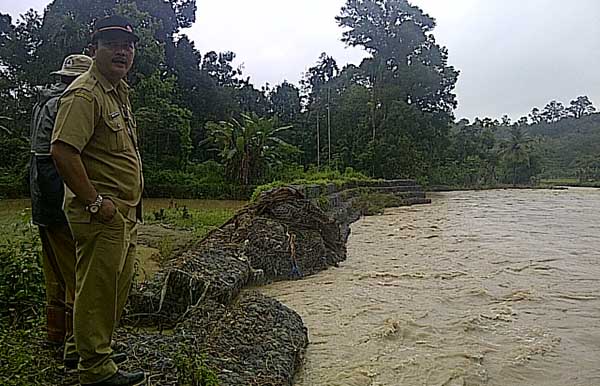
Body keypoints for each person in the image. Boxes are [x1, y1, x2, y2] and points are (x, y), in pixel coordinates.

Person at [51, 15, 145, 386]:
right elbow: (62, 151)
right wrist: (94, 202)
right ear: (94, 50)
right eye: (113, 45)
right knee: (98, 289)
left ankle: (84, 348)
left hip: (123, 212)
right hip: (102, 214)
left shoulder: (117, 91)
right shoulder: (86, 92)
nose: (123, 51)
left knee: (111, 289)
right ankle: (96, 368)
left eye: (128, 45)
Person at [29, 54, 92, 361]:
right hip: (57, 189)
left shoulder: (42, 102)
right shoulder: (66, 104)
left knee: (53, 268)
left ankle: (55, 334)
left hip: (39, 191)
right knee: (76, 271)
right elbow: (65, 154)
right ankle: (76, 344)